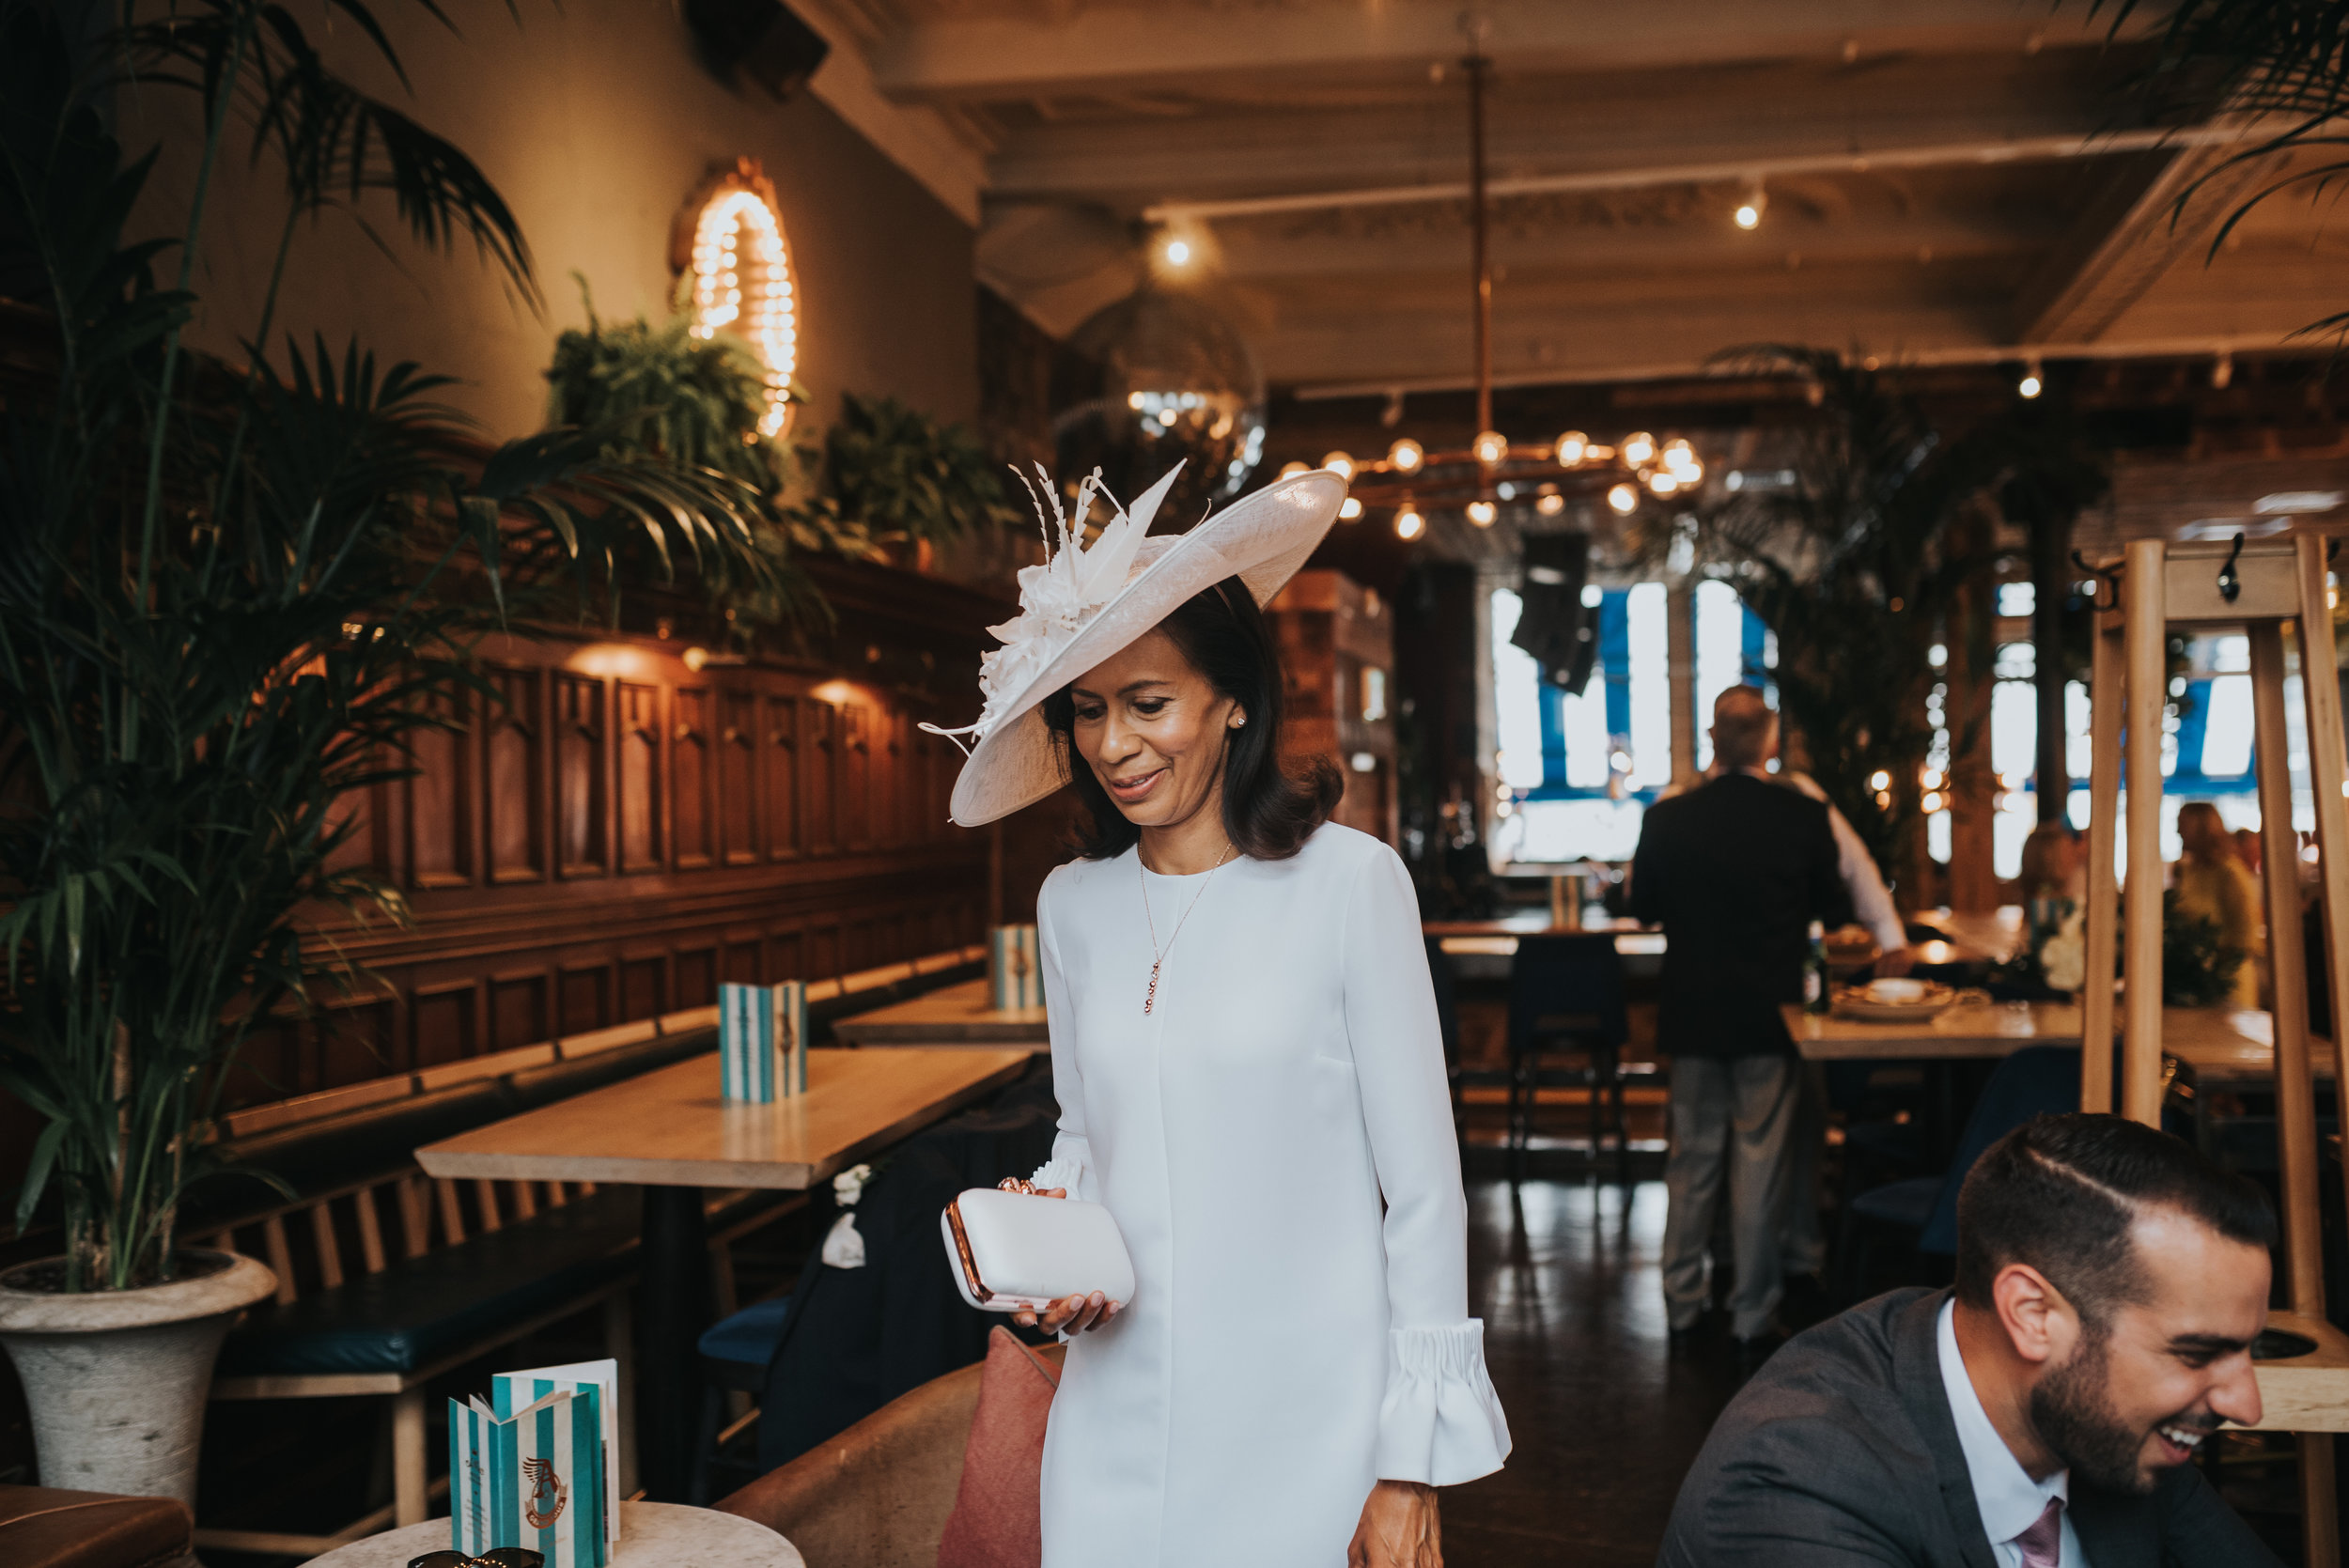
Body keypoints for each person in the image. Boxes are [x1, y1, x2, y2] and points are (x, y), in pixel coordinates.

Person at [924, 463, 1509, 1568]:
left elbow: (1425, 1194)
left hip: (1310, 1423)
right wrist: (1058, 1236)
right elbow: (1086, 1131)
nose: (1112, 746)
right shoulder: (1072, 905)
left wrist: (1407, 1462)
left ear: (1234, 697)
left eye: (1148, 704)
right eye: (1087, 712)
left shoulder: (1351, 884)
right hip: (1110, 1411)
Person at [1659, 1113, 2281, 1567]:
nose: (2246, 1404)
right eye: (2198, 1352)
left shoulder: (2116, 1419)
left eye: (2247, 1348)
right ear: (2032, 1313)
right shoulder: (1799, 1489)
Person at [1630, 686, 1851, 1350]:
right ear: (1770, 740)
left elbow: (1641, 907)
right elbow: (1835, 910)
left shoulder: (1669, 818)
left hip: (1693, 1012)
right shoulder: (1801, 814)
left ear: (1713, 738)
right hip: (1767, 1015)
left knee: (1691, 1162)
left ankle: (1680, 1303)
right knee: (1760, 1165)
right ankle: (1753, 1311)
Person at [2173, 801, 2263, 1008]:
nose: (2177, 831)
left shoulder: (2230, 872)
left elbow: (2246, 933)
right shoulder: (2188, 871)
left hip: (2228, 981)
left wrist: (2217, 966)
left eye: (2182, 824)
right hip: (2196, 980)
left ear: (2200, 828)